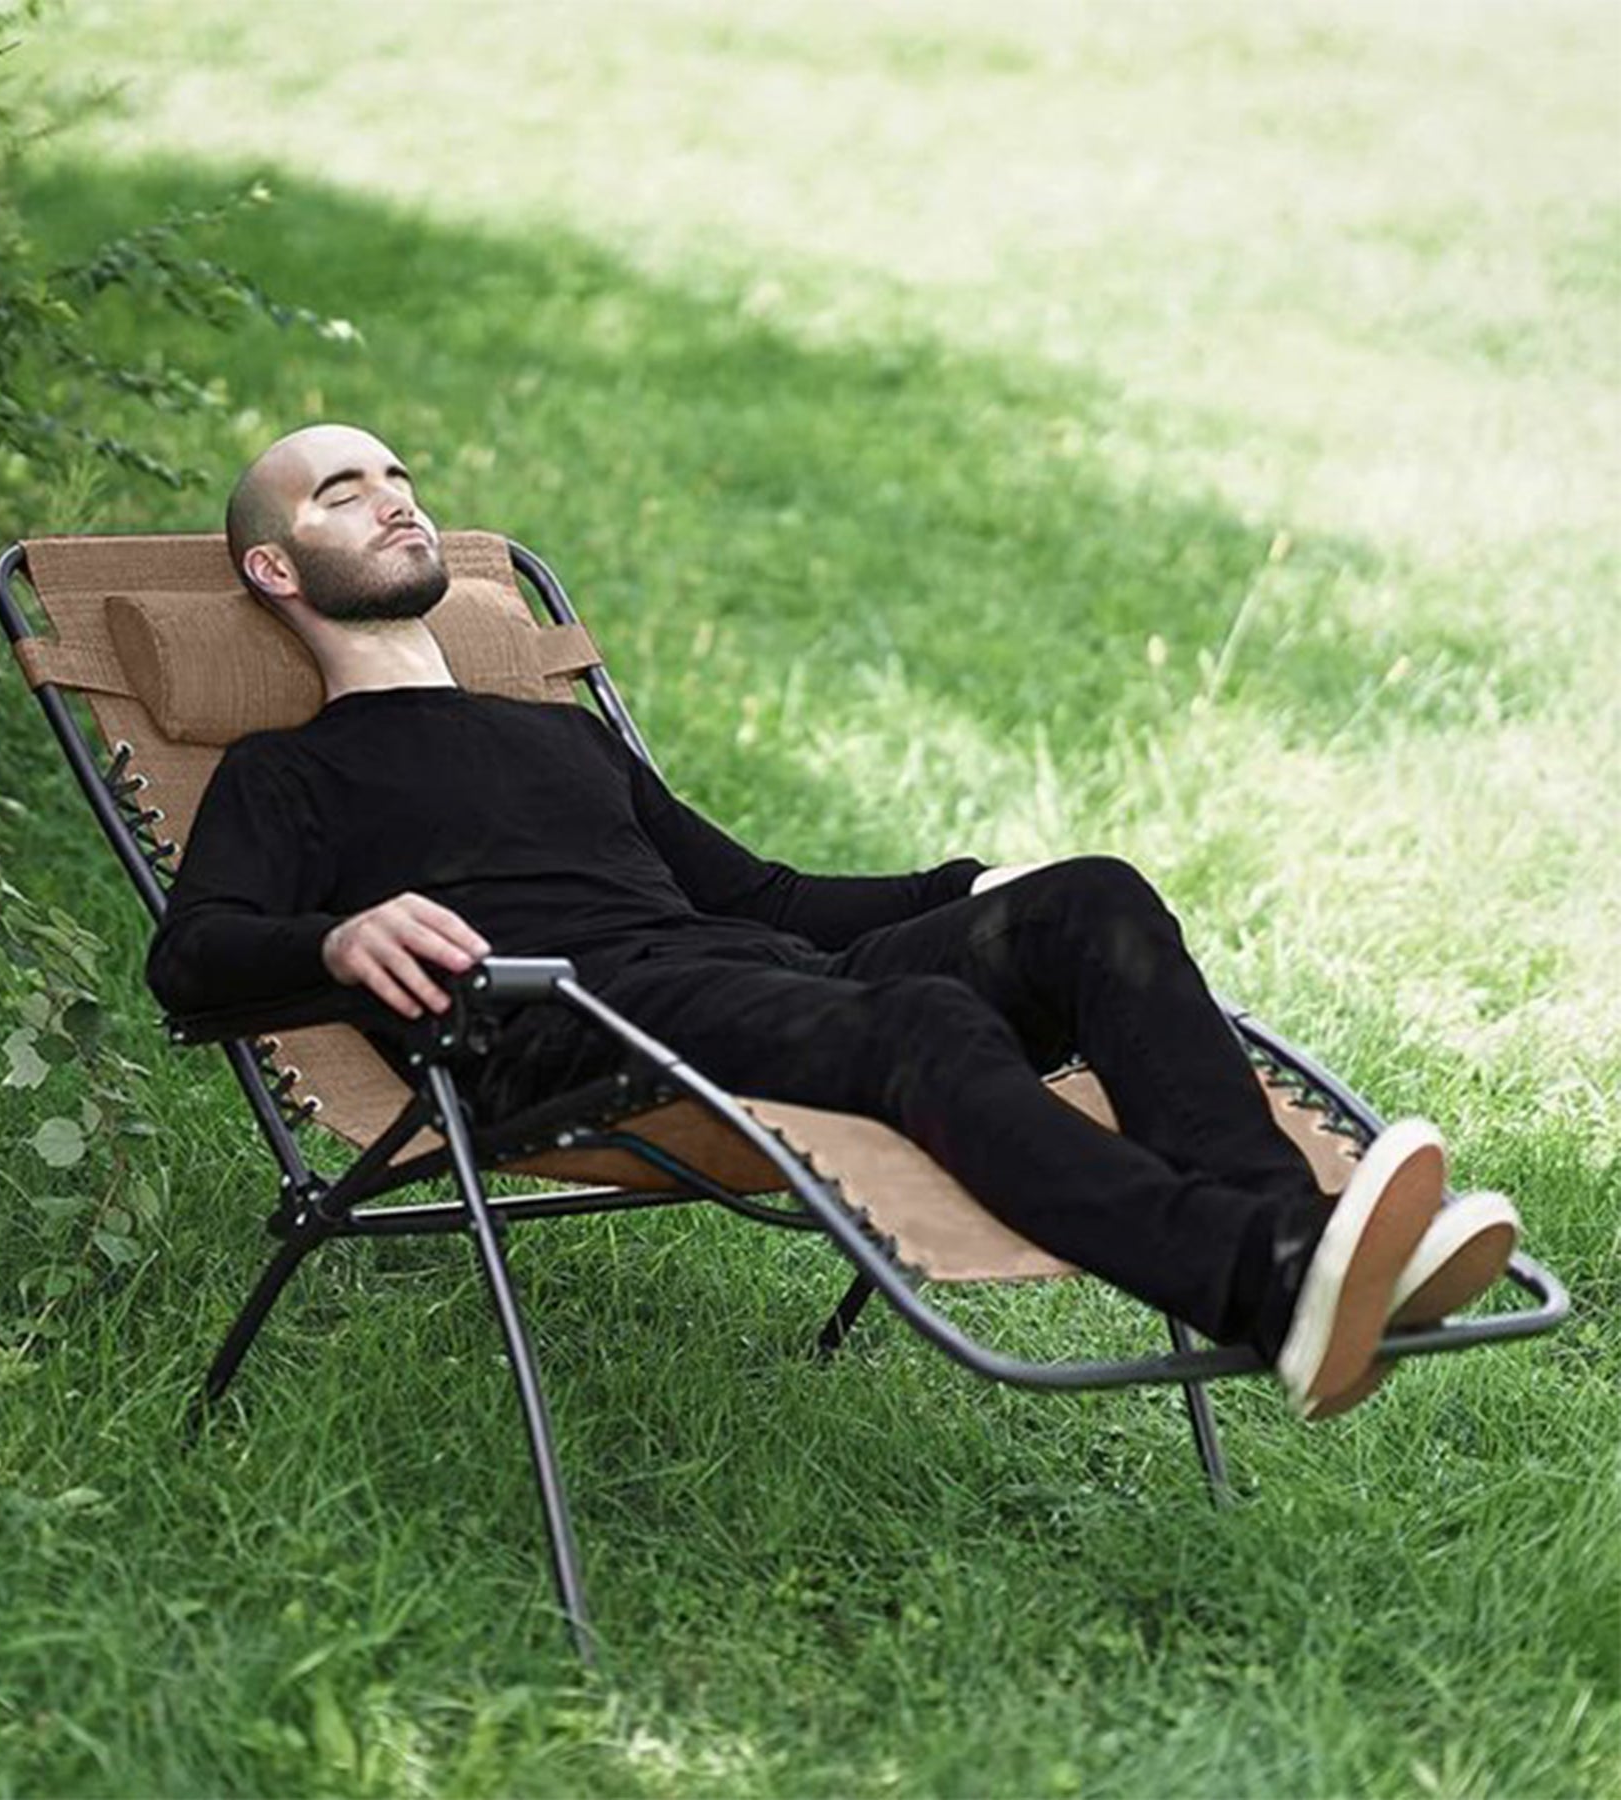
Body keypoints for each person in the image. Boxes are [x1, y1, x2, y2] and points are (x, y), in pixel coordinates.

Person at [148, 423, 1520, 1419]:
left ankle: (1297, 1253)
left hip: (752, 978)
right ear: (275, 571)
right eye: (342, 493)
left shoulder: (559, 738)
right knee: (918, 1018)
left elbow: (759, 899)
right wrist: (333, 942)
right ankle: (1267, 1281)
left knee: (1089, 899)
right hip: (564, 1024)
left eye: (399, 477)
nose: (394, 501)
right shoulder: (290, 774)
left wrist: (964, 890)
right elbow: (192, 958)